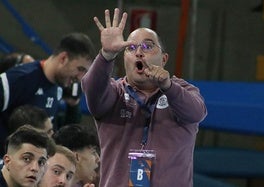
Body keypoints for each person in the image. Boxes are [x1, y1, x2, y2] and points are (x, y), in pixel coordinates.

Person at [81, 8, 207, 187]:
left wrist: (168, 87)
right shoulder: (115, 92)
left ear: (164, 59)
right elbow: (91, 89)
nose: (139, 52)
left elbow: (196, 113)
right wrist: (106, 55)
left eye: (147, 46)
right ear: (124, 59)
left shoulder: (182, 90)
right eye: (131, 48)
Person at [0, 33, 95, 157]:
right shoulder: (20, 78)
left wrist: (73, 105)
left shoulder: (58, 90)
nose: (81, 77)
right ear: (63, 58)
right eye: (80, 69)